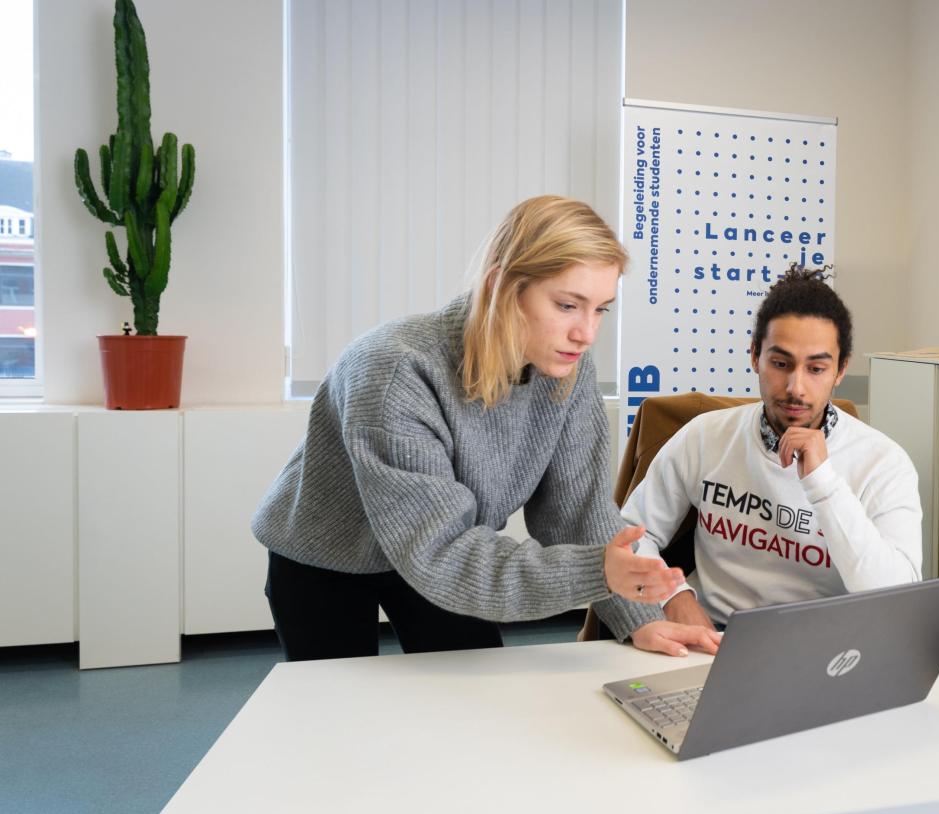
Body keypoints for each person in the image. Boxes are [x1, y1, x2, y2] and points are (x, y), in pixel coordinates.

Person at [252, 195, 720, 661]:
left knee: (472, 700)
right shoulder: (395, 370)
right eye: (567, 305)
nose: (586, 333)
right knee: (338, 714)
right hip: (329, 557)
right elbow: (439, 552)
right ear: (501, 287)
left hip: (451, 545)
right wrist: (600, 571)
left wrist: (644, 620)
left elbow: (579, 511)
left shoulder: (567, 368)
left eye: (600, 309)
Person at [621, 264, 923, 628]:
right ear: (754, 357)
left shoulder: (882, 462)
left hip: (825, 646)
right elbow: (630, 536)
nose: (795, 387)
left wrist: (822, 482)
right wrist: (674, 598)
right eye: (781, 363)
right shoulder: (704, 436)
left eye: (816, 369)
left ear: (840, 370)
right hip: (713, 636)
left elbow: (896, 599)